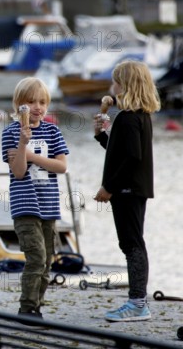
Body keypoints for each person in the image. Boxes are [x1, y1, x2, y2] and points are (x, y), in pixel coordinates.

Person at [93, 60, 161, 322]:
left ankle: (137, 303)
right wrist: (102, 137)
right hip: (133, 188)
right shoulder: (139, 116)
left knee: (132, 245)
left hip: (126, 190)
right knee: (133, 243)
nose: (112, 85)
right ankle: (137, 301)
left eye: (116, 80)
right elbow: (121, 154)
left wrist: (109, 187)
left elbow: (132, 157)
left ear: (126, 84)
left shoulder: (128, 118)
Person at [1, 77, 69, 323]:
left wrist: (33, 156)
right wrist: (22, 144)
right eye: (31, 102)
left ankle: (37, 307)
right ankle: (27, 309)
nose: (37, 106)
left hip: (49, 206)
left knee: (47, 261)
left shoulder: (53, 131)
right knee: (36, 257)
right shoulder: (10, 132)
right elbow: (18, 172)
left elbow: (61, 166)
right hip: (25, 205)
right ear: (19, 104)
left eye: (42, 102)